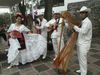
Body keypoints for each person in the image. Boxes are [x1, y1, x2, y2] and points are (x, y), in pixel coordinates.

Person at [72, 6, 92, 75]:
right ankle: (81, 70)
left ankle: (84, 73)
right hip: (80, 43)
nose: (81, 14)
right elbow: (78, 30)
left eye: (83, 13)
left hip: (84, 44)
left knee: (83, 60)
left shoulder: (87, 22)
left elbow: (83, 31)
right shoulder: (83, 21)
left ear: (86, 13)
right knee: (80, 59)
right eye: (80, 13)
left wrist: (74, 27)